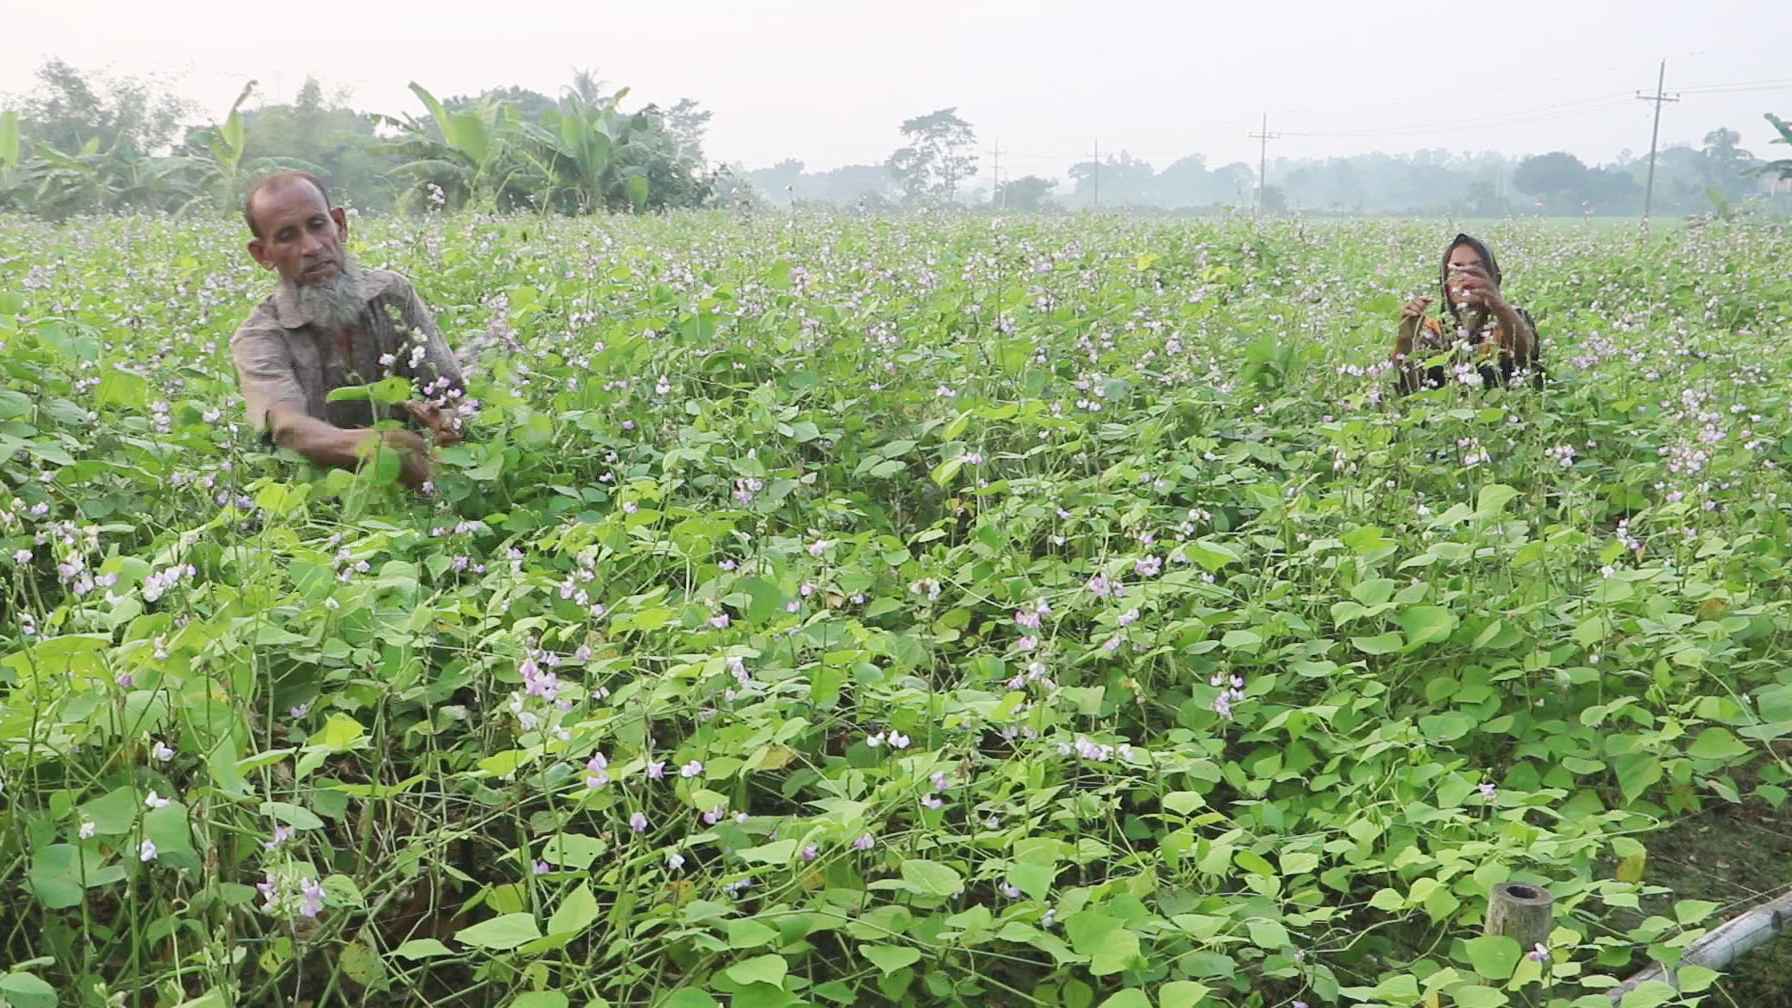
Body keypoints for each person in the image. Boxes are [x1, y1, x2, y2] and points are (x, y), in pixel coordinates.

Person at [230, 171, 469, 490]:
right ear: (263, 254)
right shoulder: (259, 336)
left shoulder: (392, 295)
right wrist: (382, 445)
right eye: (287, 236)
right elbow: (288, 428)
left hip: (424, 478)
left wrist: (446, 421)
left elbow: (449, 390)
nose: (311, 247)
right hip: (323, 496)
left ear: (339, 225)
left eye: (317, 225)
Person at [1392, 233, 1540, 394]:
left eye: (1476, 268)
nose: (1466, 277)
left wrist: (1497, 303)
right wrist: (1406, 338)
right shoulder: (1434, 331)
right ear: (1445, 283)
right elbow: (1407, 388)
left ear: (1492, 277)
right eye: (1457, 268)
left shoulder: (1511, 320)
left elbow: (1526, 353)